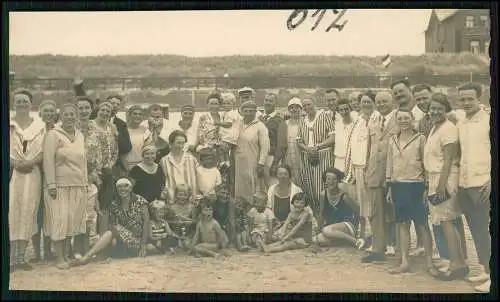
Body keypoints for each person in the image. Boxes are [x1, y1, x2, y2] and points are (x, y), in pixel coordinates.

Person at [423, 92, 469, 281]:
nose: (435, 111)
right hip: (436, 178)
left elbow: (449, 159)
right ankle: (460, 263)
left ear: (446, 110)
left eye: (439, 109)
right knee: (445, 222)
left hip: (446, 178)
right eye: (432, 108)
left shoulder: (449, 128)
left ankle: (457, 264)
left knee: (448, 222)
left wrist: (441, 186)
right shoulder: (435, 127)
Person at [385, 109, 436, 275]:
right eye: (400, 118)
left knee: (422, 224)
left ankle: (430, 263)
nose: (403, 121)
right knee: (402, 224)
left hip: (416, 186)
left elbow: (426, 164)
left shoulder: (421, 138)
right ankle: (405, 262)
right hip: (398, 186)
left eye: (406, 118)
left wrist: (426, 188)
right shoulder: (392, 139)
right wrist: (390, 188)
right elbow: (389, 165)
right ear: (396, 121)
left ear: (412, 119)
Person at [43, 103, 88, 269]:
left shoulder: (80, 135)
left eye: (72, 114)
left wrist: (85, 182)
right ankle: (59, 258)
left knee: (72, 221)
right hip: (59, 185)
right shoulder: (53, 134)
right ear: (60, 116)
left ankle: (68, 255)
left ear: (76, 117)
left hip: (78, 184)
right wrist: (51, 184)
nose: (70, 117)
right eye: (66, 114)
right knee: (59, 220)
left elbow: (83, 162)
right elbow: (47, 161)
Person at [456, 83, 491, 293]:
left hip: (483, 184)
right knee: (477, 231)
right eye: (463, 99)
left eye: (470, 98)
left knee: (487, 230)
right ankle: (486, 271)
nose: (466, 103)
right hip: (465, 184)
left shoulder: (488, 121)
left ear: (480, 97)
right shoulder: (461, 122)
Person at [9, 89, 46, 271]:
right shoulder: (9, 124)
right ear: (13, 103)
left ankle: (21, 258)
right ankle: (11, 258)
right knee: (12, 212)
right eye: (19, 101)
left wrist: (31, 161)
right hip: (13, 174)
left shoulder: (39, 126)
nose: (22, 104)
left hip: (32, 174)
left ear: (31, 104)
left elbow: (42, 151)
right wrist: (15, 163)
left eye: (25, 101)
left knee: (28, 212)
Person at [75, 178, 150, 265]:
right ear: (117, 189)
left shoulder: (140, 201)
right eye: (119, 187)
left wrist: (144, 245)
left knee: (111, 232)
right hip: (122, 240)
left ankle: (87, 257)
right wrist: (114, 236)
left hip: (137, 242)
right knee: (108, 232)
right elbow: (112, 224)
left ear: (130, 188)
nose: (123, 189)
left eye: (126, 186)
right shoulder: (115, 204)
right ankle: (92, 255)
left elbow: (146, 223)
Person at [344, 91, 380, 251]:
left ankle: (378, 239)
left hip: (370, 168)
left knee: (373, 205)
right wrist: (350, 170)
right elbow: (352, 146)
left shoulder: (377, 119)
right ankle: (365, 236)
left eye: (368, 102)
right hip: (358, 168)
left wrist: (370, 168)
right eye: (363, 102)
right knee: (363, 205)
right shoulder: (358, 120)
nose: (365, 105)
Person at [296, 96, 335, 214]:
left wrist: (317, 147)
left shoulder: (325, 116)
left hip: (323, 155)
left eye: (309, 104)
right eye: (304, 106)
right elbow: (299, 141)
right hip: (307, 156)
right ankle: (316, 214)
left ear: (314, 104)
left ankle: (327, 213)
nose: (307, 107)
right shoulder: (303, 120)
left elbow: (332, 138)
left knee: (323, 185)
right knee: (310, 186)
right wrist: (307, 148)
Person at [31, 99, 58, 263]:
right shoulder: (35, 131)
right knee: (36, 213)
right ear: (40, 113)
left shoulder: (59, 131)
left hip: (53, 177)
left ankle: (48, 250)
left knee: (50, 213)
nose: (49, 114)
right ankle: (36, 252)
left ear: (55, 114)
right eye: (45, 111)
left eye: (51, 111)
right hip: (36, 174)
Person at [88, 101, 119, 235]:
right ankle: (88, 238)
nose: (105, 113)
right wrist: (93, 169)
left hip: (107, 171)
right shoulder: (89, 125)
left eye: (108, 111)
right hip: (92, 171)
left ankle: (102, 236)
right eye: (102, 110)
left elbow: (115, 150)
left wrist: (110, 164)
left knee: (105, 204)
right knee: (91, 205)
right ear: (97, 110)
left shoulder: (112, 127)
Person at [314, 168, 362, 248]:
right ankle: (346, 243)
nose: (331, 182)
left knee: (326, 230)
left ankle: (356, 242)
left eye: (334, 179)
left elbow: (358, 210)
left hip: (347, 226)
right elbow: (322, 213)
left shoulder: (344, 196)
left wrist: (356, 227)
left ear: (338, 180)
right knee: (318, 239)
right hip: (332, 228)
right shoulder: (323, 194)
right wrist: (319, 229)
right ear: (325, 181)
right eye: (328, 179)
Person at [267, 165, 317, 239]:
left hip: (293, 222)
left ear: (289, 176)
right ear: (276, 176)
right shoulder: (271, 189)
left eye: (285, 174)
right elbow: (268, 208)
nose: (283, 176)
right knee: (270, 235)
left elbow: (306, 207)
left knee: (280, 236)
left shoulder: (296, 189)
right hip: (276, 222)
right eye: (280, 174)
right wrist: (274, 219)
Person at [234, 101, 270, 202]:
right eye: (246, 111)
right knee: (238, 187)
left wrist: (261, 163)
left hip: (252, 161)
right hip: (238, 162)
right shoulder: (237, 124)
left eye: (251, 111)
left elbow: (265, 147)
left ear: (255, 112)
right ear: (242, 112)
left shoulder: (260, 126)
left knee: (252, 186)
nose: (249, 113)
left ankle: (251, 211)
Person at [160, 130, 199, 201]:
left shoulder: (191, 158)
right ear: (171, 143)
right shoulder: (164, 161)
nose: (181, 146)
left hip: (190, 200)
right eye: (178, 143)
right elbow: (162, 181)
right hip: (172, 200)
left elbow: (198, 177)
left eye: (183, 143)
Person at [261, 93, 288, 188]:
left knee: (271, 186)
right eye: (266, 100)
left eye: (271, 101)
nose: (268, 103)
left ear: (275, 103)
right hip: (258, 157)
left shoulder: (280, 121)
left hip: (271, 157)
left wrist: (275, 163)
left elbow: (281, 144)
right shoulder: (258, 118)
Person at [107, 95, 132, 178]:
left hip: (114, 165)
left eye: (118, 104)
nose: (115, 106)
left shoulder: (121, 124)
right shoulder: (94, 120)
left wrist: (117, 135)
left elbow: (127, 147)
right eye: (112, 103)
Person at [332, 99, 357, 176]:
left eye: (346, 109)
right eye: (341, 110)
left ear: (350, 109)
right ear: (338, 111)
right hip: (339, 160)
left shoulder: (356, 123)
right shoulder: (337, 123)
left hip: (352, 159)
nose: (344, 112)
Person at [284, 97, 304, 184]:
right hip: (288, 154)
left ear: (301, 109)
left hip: (301, 154)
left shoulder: (305, 122)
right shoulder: (285, 123)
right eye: (291, 107)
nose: (294, 109)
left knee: (303, 176)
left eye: (297, 107)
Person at [125, 105, 148, 170]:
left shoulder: (145, 130)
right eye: (135, 114)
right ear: (129, 115)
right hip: (127, 165)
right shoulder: (124, 130)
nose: (137, 116)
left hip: (142, 165)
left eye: (140, 114)